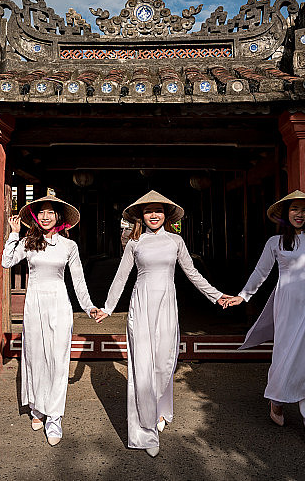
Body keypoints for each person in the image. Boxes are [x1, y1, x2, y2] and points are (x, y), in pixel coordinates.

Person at [95, 190, 230, 458]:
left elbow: (192, 273)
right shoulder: (135, 243)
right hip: (141, 305)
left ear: (166, 215)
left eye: (158, 210)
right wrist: (108, 308)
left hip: (168, 306)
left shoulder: (175, 241)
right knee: (142, 367)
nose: (153, 215)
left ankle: (159, 408)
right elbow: (122, 277)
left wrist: (216, 295)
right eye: (148, 211)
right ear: (141, 216)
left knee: (164, 363)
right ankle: (145, 431)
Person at [223, 190, 305, 451]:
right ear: (285, 214)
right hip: (286, 306)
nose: (299, 214)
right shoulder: (275, 242)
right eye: (294, 209)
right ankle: (277, 400)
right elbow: (261, 272)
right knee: (283, 356)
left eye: (303, 210)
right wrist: (243, 296)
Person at [1, 195, 101, 446]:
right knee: (35, 357)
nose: (46, 217)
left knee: (58, 360)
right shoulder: (28, 242)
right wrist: (13, 234)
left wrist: (88, 307)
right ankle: (37, 406)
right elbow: (6, 262)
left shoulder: (69, 247)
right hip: (34, 305)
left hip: (59, 304)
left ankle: (54, 417)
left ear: (59, 217)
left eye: (51, 212)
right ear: (35, 217)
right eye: (41, 212)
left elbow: (78, 281)